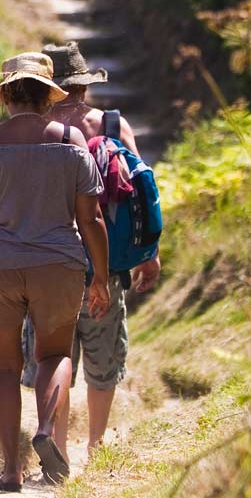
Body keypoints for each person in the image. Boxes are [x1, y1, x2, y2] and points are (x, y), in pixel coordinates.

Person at [0, 52, 110, 489]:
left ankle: (11, 468)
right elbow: (90, 219)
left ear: (5, 95)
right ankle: (45, 430)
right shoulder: (72, 141)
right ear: (48, 96)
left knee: (1, 366)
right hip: (58, 265)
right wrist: (102, 277)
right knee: (54, 356)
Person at [41, 41, 161, 454]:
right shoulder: (111, 125)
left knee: (53, 356)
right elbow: (142, 197)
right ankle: (95, 444)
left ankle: (55, 442)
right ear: (83, 86)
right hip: (103, 263)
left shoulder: (36, 129)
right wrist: (149, 254)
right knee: (103, 360)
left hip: (49, 264)